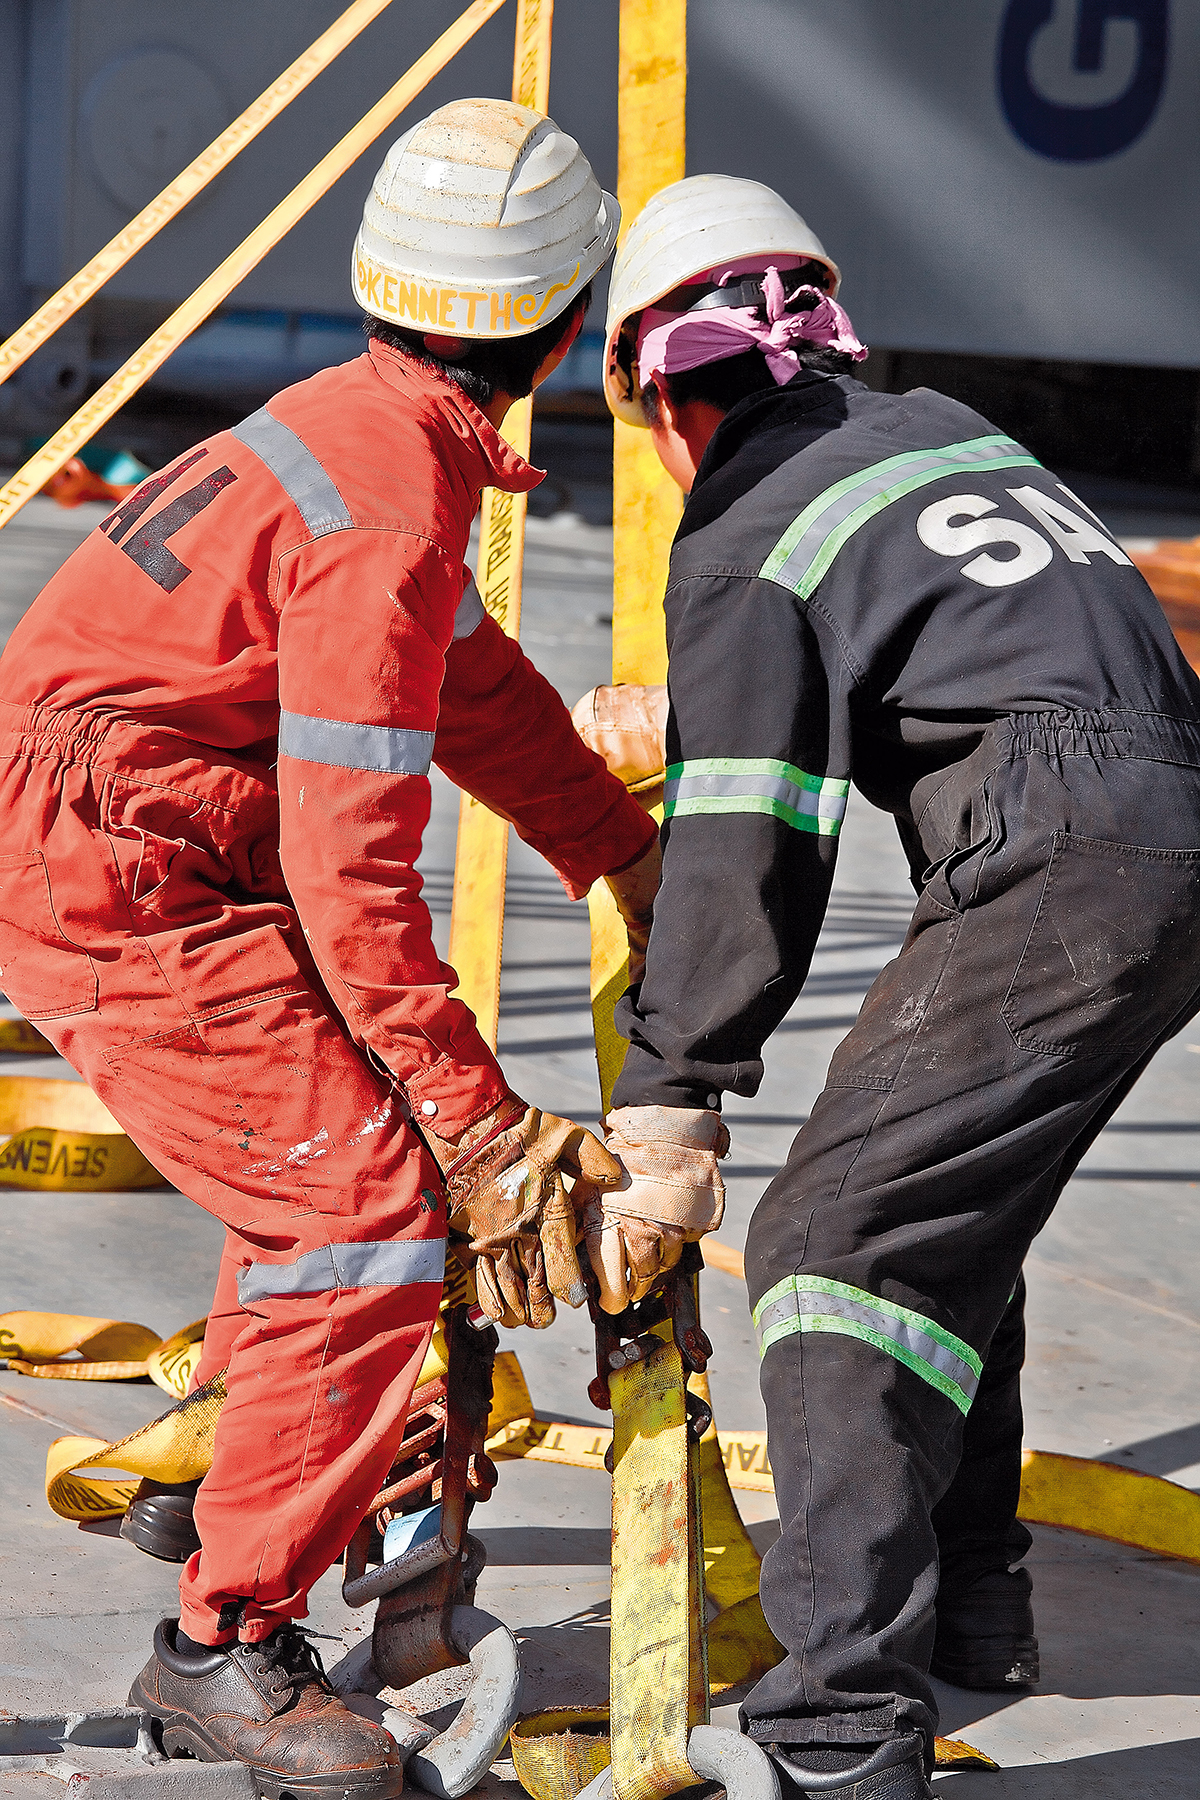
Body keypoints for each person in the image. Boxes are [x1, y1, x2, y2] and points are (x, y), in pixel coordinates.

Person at [0, 99, 658, 1799]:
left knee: (325, 1151)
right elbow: (353, 878)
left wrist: (621, 851)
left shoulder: (364, 433)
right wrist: (482, 1128)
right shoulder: (384, 505)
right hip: (120, 862)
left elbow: (480, 688)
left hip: (138, 826)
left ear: (378, 280)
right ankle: (225, 1646)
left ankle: (227, 1450)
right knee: (360, 1205)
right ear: (570, 325)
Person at [586, 173, 1200, 1800]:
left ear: (650, 390)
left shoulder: (739, 522)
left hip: (1055, 851)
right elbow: (961, 648)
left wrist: (672, 1089)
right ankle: (975, 1603)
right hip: (1172, 823)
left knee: (828, 1245)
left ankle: (843, 1730)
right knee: (946, 1215)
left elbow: (747, 837)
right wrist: (708, 708)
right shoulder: (938, 430)